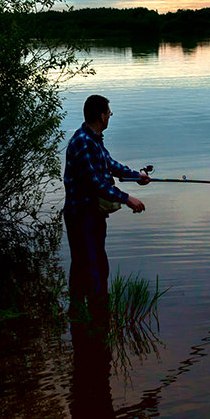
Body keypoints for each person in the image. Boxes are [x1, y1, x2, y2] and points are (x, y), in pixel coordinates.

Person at [63, 94, 150, 309]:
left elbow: (111, 165)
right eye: (109, 112)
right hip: (83, 215)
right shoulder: (83, 142)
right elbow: (95, 183)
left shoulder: (93, 139)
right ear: (101, 116)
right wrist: (127, 198)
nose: (110, 116)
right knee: (94, 267)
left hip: (90, 214)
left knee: (88, 264)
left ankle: (80, 319)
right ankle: (97, 315)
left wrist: (136, 177)